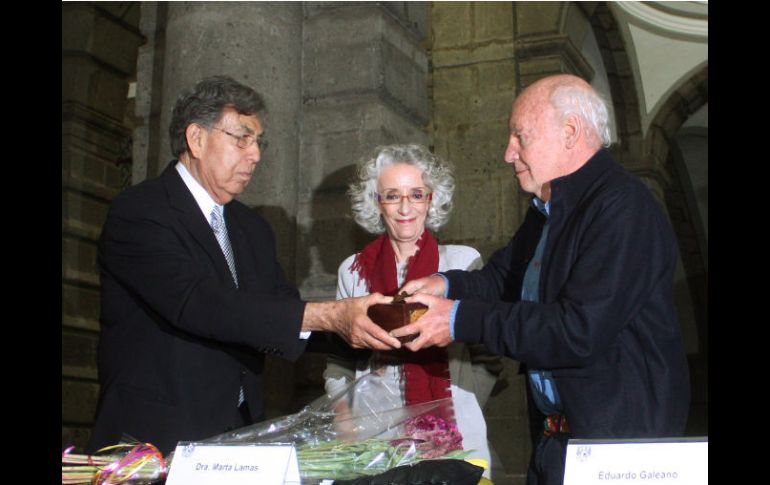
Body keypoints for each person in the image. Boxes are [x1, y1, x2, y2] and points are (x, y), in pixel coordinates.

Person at [391, 74, 691, 485]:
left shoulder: (623, 208)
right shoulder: (549, 208)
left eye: (519, 136)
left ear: (570, 133)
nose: (507, 153)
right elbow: (502, 277)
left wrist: (456, 319)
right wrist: (443, 284)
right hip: (558, 442)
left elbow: (578, 331)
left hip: (618, 450)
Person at [88, 75, 400, 455]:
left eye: (258, 142)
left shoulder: (251, 229)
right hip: (154, 439)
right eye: (242, 138)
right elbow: (199, 303)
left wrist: (379, 327)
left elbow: (282, 314)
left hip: (238, 435)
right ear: (196, 139)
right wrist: (333, 314)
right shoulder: (140, 212)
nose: (255, 154)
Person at [323, 144, 500, 476]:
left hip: (456, 436)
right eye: (392, 195)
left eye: (416, 194)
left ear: (431, 199)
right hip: (374, 438)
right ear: (376, 202)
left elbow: (488, 354)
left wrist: (463, 402)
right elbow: (339, 361)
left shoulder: (463, 262)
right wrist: (344, 416)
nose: (405, 207)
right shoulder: (352, 270)